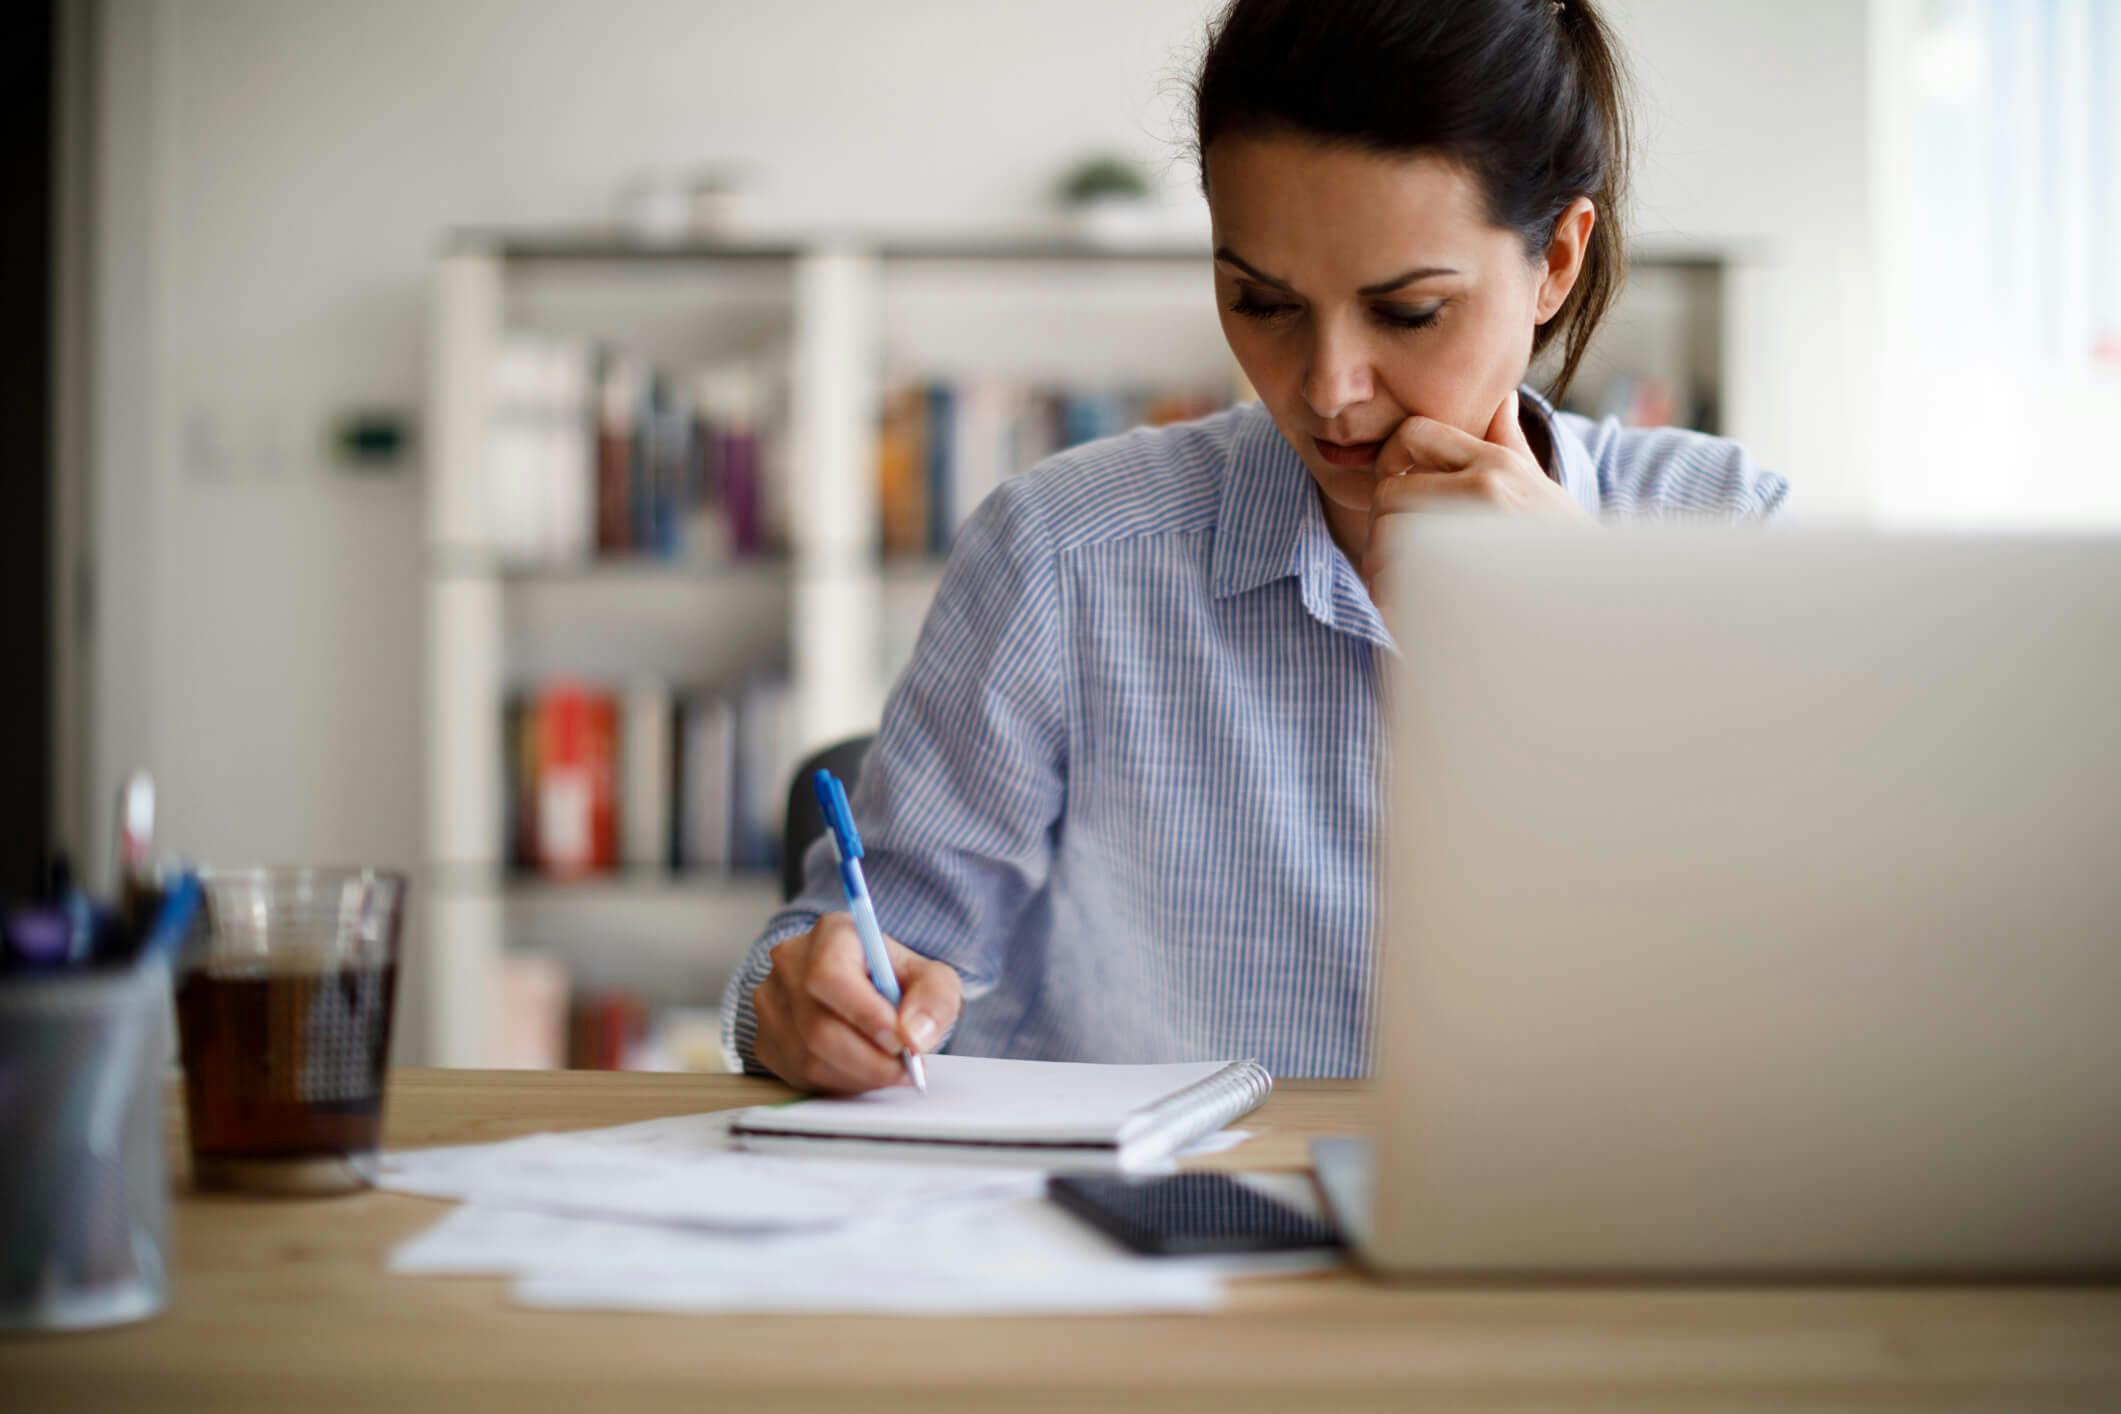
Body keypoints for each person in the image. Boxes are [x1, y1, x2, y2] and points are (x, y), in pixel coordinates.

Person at [722, 0, 1789, 1093]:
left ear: (1556, 260)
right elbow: (847, 949)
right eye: (1262, 302)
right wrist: (810, 1004)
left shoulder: (1729, 537)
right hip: (1151, 1200)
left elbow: (1801, 995)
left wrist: (1595, 640)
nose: (1327, 389)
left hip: (1579, 1199)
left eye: (1409, 312)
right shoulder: (1062, 557)